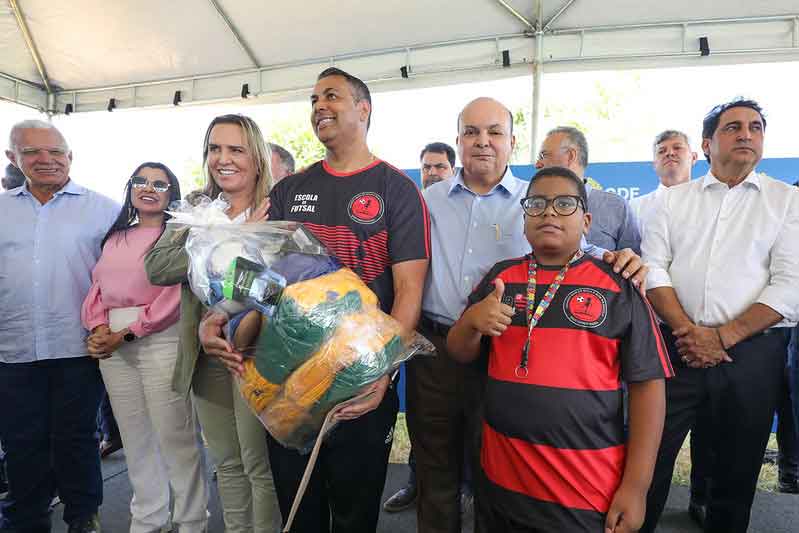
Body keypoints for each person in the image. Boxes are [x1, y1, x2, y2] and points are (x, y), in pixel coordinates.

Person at [200, 67, 431, 533]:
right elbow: (255, 274)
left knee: (353, 511)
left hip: (359, 379)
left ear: (364, 110)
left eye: (332, 96)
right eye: (313, 99)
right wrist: (217, 316)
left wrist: (383, 375)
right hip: (284, 378)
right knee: (297, 508)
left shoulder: (398, 190)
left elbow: (410, 291)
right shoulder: (289, 190)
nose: (319, 106)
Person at [412, 97, 649, 533]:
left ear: (512, 141)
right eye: (471, 132)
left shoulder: (535, 197)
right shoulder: (427, 200)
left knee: (495, 468)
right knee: (434, 471)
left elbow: (573, 250)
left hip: (506, 358)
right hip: (438, 351)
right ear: (458, 140)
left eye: (494, 132)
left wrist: (622, 258)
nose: (483, 142)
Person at [446, 165, 671, 532]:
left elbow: (649, 387)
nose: (549, 212)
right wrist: (472, 320)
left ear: (586, 222)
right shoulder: (500, 278)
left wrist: (636, 486)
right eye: (537, 204)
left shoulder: (619, 285)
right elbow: (459, 351)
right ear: (524, 219)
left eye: (564, 204)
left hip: (582, 491)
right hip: (501, 485)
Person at [640, 98, 799, 533]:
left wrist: (723, 336)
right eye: (733, 127)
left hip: (751, 355)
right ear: (707, 145)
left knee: (737, 471)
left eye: (755, 127)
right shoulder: (673, 201)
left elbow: (790, 285)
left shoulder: (787, 201)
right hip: (675, 347)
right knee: (648, 461)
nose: (746, 134)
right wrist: (687, 330)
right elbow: (653, 267)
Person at [145, 114, 281, 533]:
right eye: (214, 149)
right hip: (206, 357)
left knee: (259, 465)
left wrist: (252, 240)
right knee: (227, 463)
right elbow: (157, 265)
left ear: (256, 158)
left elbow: (287, 285)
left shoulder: (279, 206)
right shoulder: (198, 210)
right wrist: (224, 242)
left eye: (235, 149)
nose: (223, 159)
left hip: (258, 355)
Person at [0, 120, 119, 533]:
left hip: (78, 349)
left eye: (56, 151)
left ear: (70, 156)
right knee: (20, 442)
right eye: (32, 152)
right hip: (13, 351)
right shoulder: (1, 211)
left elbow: (120, 279)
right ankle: (25, 519)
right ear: (13, 159)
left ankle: (83, 516)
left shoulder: (105, 210)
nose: (46, 159)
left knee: (76, 440)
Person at [81, 163, 209, 533]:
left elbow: (175, 296)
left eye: (159, 183)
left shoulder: (179, 234)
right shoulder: (115, 236)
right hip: (113, 343)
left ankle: (190, 521)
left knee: (176, 438)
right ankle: (148, 519)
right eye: (141, 181)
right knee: (135, 437)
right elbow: (96, 288)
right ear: (130, 188)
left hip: (162, 338)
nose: (148, 188)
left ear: (172, 192)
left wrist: (128, 332)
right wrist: (98, 327)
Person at [383, 140, 458, 515]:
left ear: (453, 171)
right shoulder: (412, 204)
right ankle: (416, 484)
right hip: (422, 332)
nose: (432, 173)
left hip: (474, 334)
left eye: (440, 167)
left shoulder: (460, 206)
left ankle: (468, 492)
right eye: (426, 167)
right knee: (423, 423)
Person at [536, 126, 641, 253]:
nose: (537, 164)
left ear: (570, 156)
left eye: (543, 155)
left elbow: (633, 262)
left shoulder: (616, 207)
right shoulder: (531, 206)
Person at [630, 130, 697, 233]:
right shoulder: (635, 208)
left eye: (677, 148)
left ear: (694, 157)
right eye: (661, 151)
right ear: (654, 164)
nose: (669, 153)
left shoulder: (711, 202)